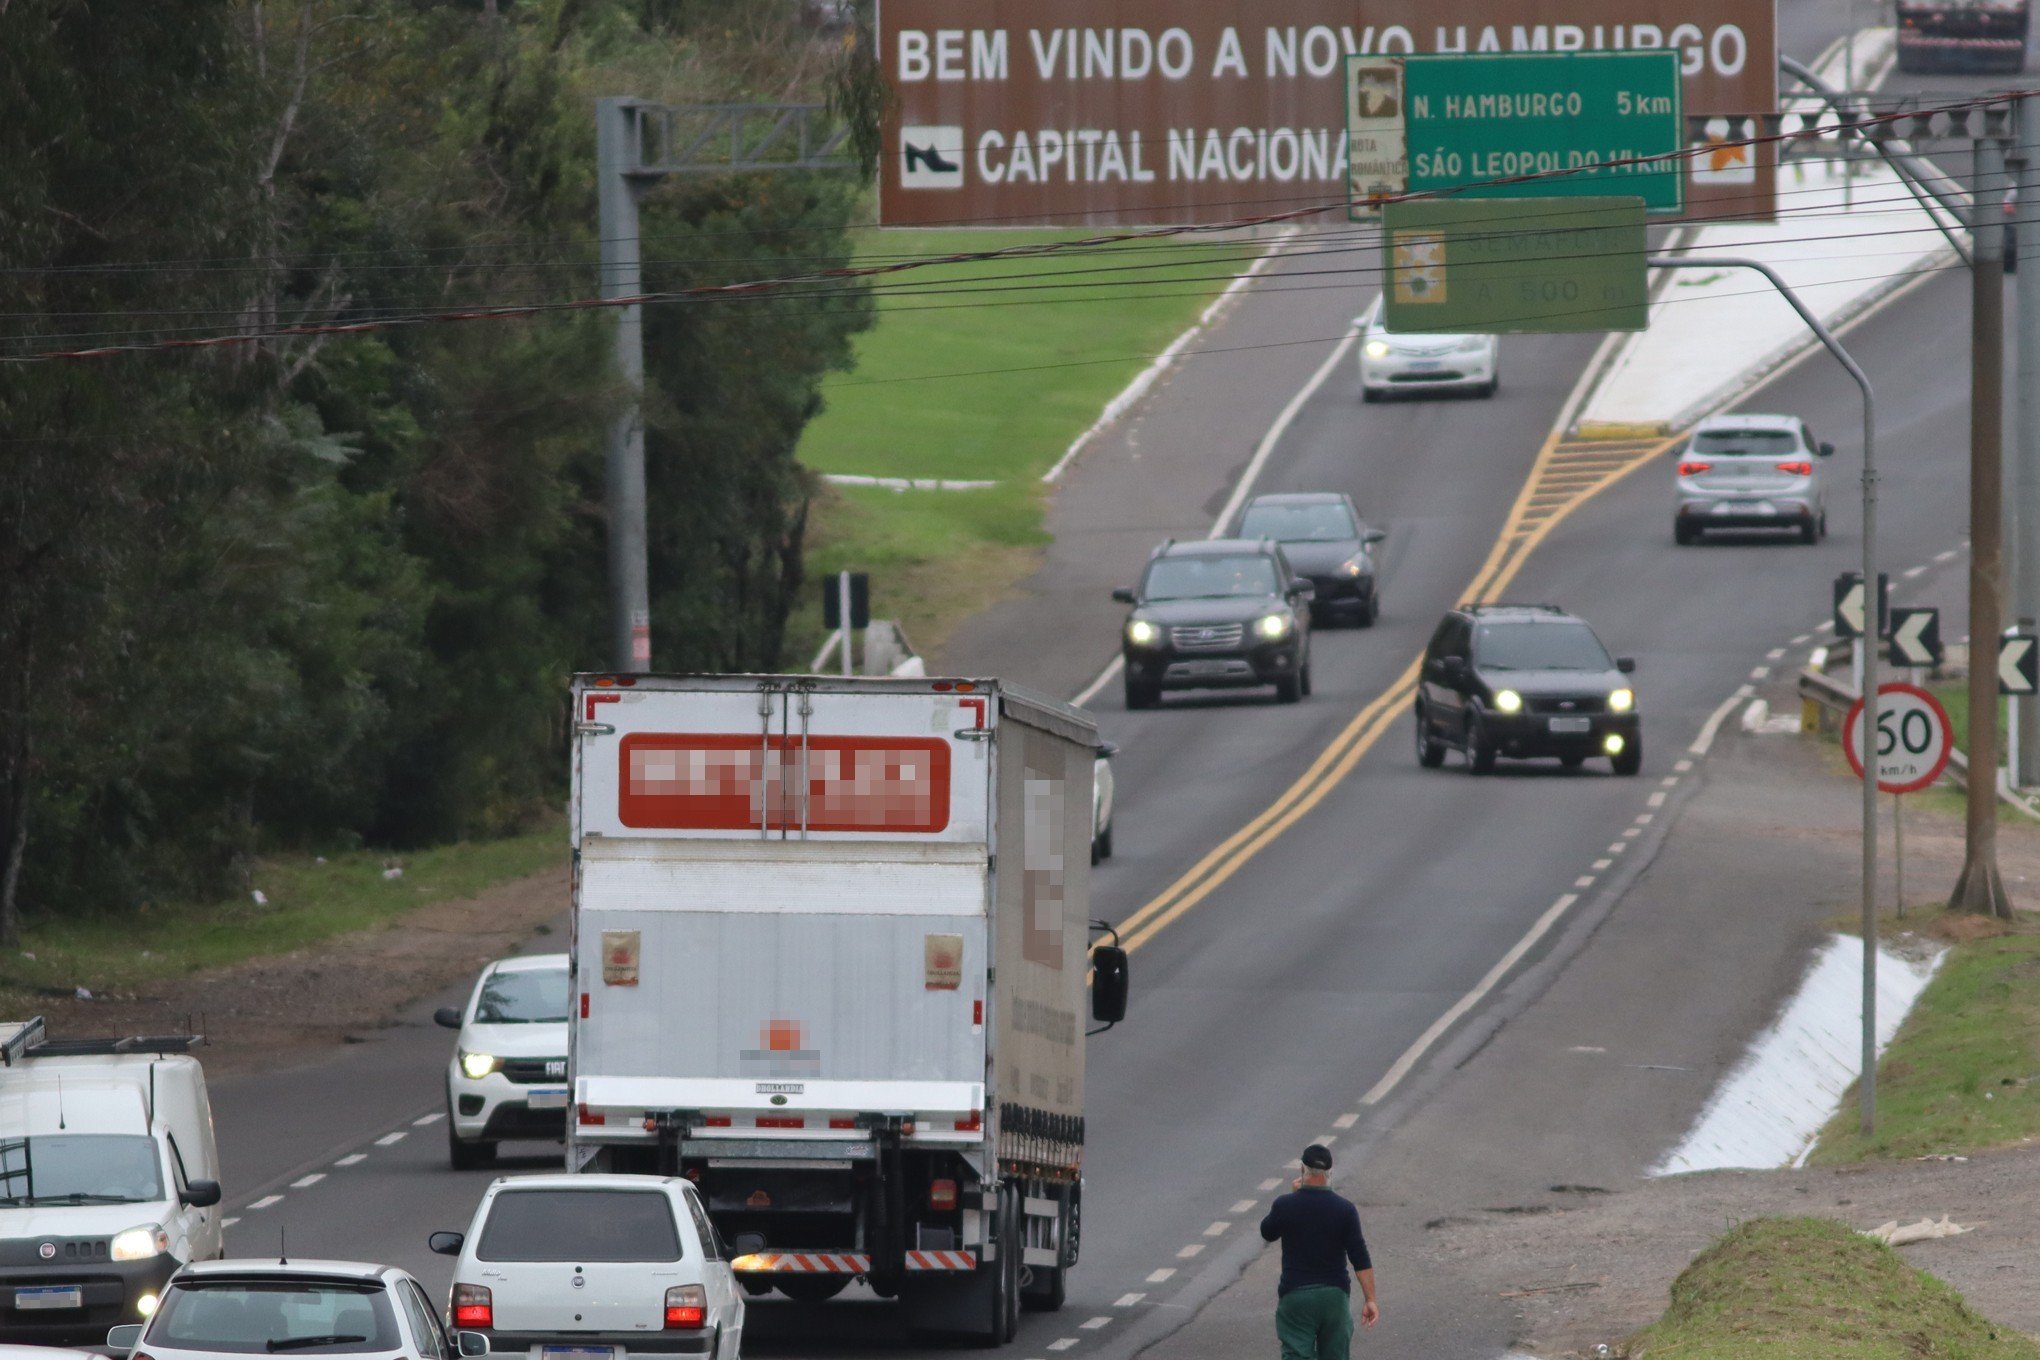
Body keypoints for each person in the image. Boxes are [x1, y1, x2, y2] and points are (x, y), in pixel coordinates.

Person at [1258, 1143, 1379, 1360]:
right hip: (1334, 1297)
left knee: (1296, 1354)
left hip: (1296, 1295)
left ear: (1302, 1170)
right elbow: (1360, 1258)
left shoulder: (1285, 1205)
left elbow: (1267, 1231)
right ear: (1330, 1173)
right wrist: (1370, 1299)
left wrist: (1293, 1196)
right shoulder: (1345, 1210)